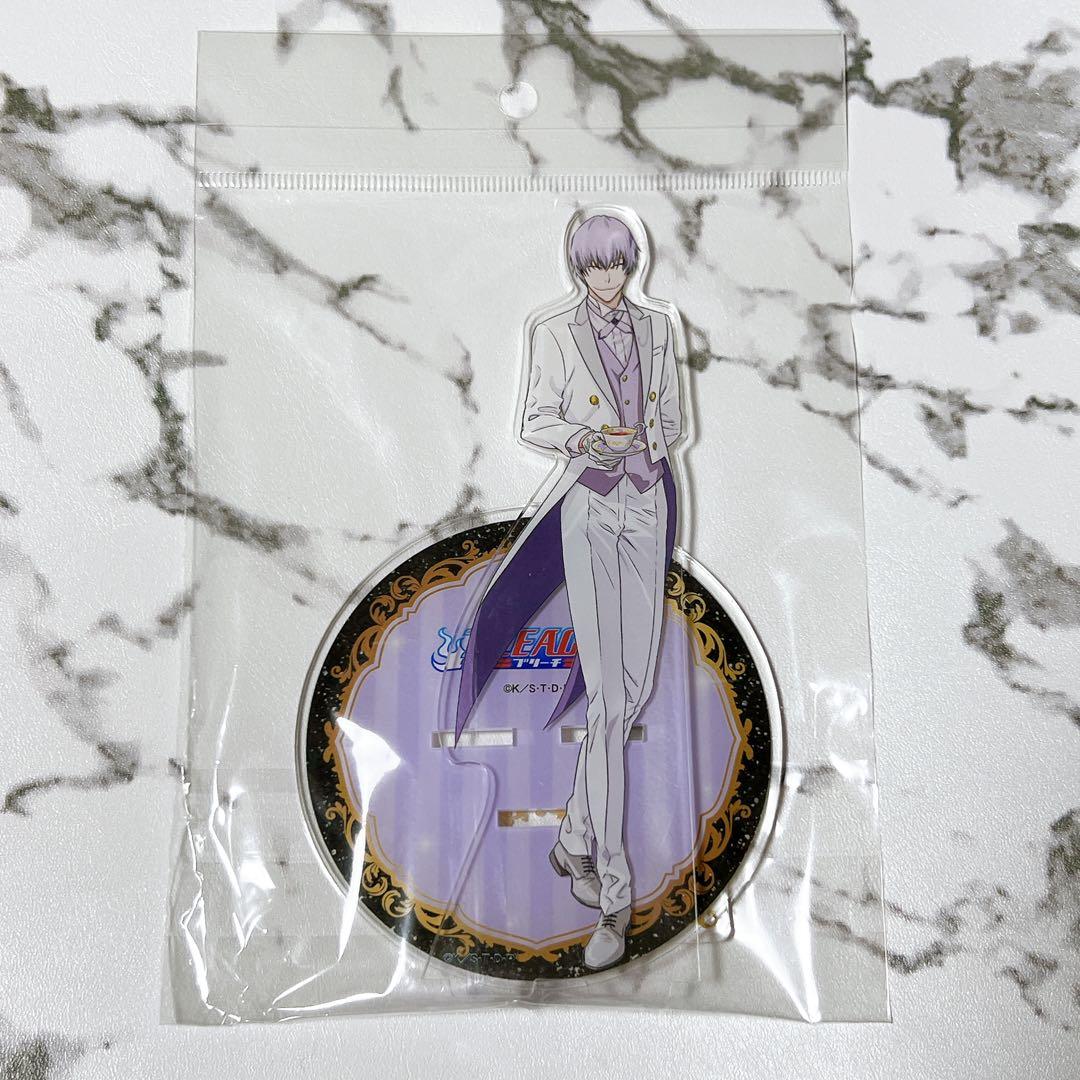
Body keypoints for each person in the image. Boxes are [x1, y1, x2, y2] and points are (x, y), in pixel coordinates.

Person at [455, 212, 683, 969]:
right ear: (579, 268)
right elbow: (535, 420)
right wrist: (587, 441)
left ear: (632, 263)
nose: (607, 279)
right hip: (589, 506)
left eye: (617, 265)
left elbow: (672, 415)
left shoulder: (658, 328)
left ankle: (572, 838)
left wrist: (648, 444)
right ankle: (614, 895)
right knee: (611, 701)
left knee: (633, 689)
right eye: (594, 267)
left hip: (650, 500)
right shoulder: (554, 331)